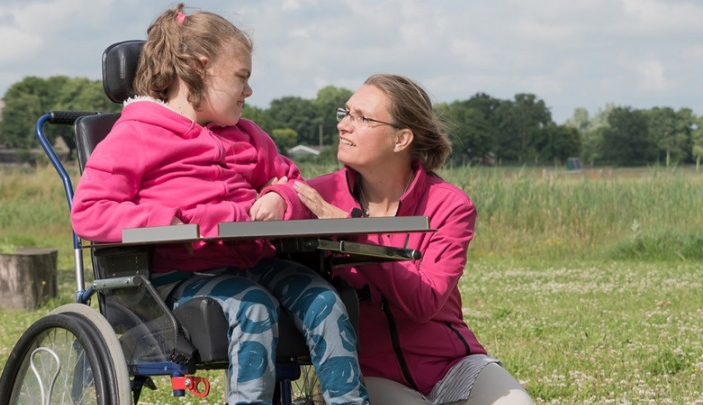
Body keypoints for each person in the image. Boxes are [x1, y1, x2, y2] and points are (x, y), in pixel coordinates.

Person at [70, 4, 369, 404]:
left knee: (326, 300)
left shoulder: (247, 135)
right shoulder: (135, 136)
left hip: (258, 261)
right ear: (198, 67)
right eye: (241, 78)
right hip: (181, 275)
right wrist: (168, 220)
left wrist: (280, 198)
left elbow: (294, 183)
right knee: (254, 306)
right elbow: (89, 213)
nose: (248, 91)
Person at [294, 74, 533, 404]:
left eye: (361, 118)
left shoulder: (450, 205)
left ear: (401, 138)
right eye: (345, 113)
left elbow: (424, 303)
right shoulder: (320, 195)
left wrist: (353, 231)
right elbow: (277, 189)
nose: (343, 126)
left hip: (452, 364)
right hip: (365, 371)